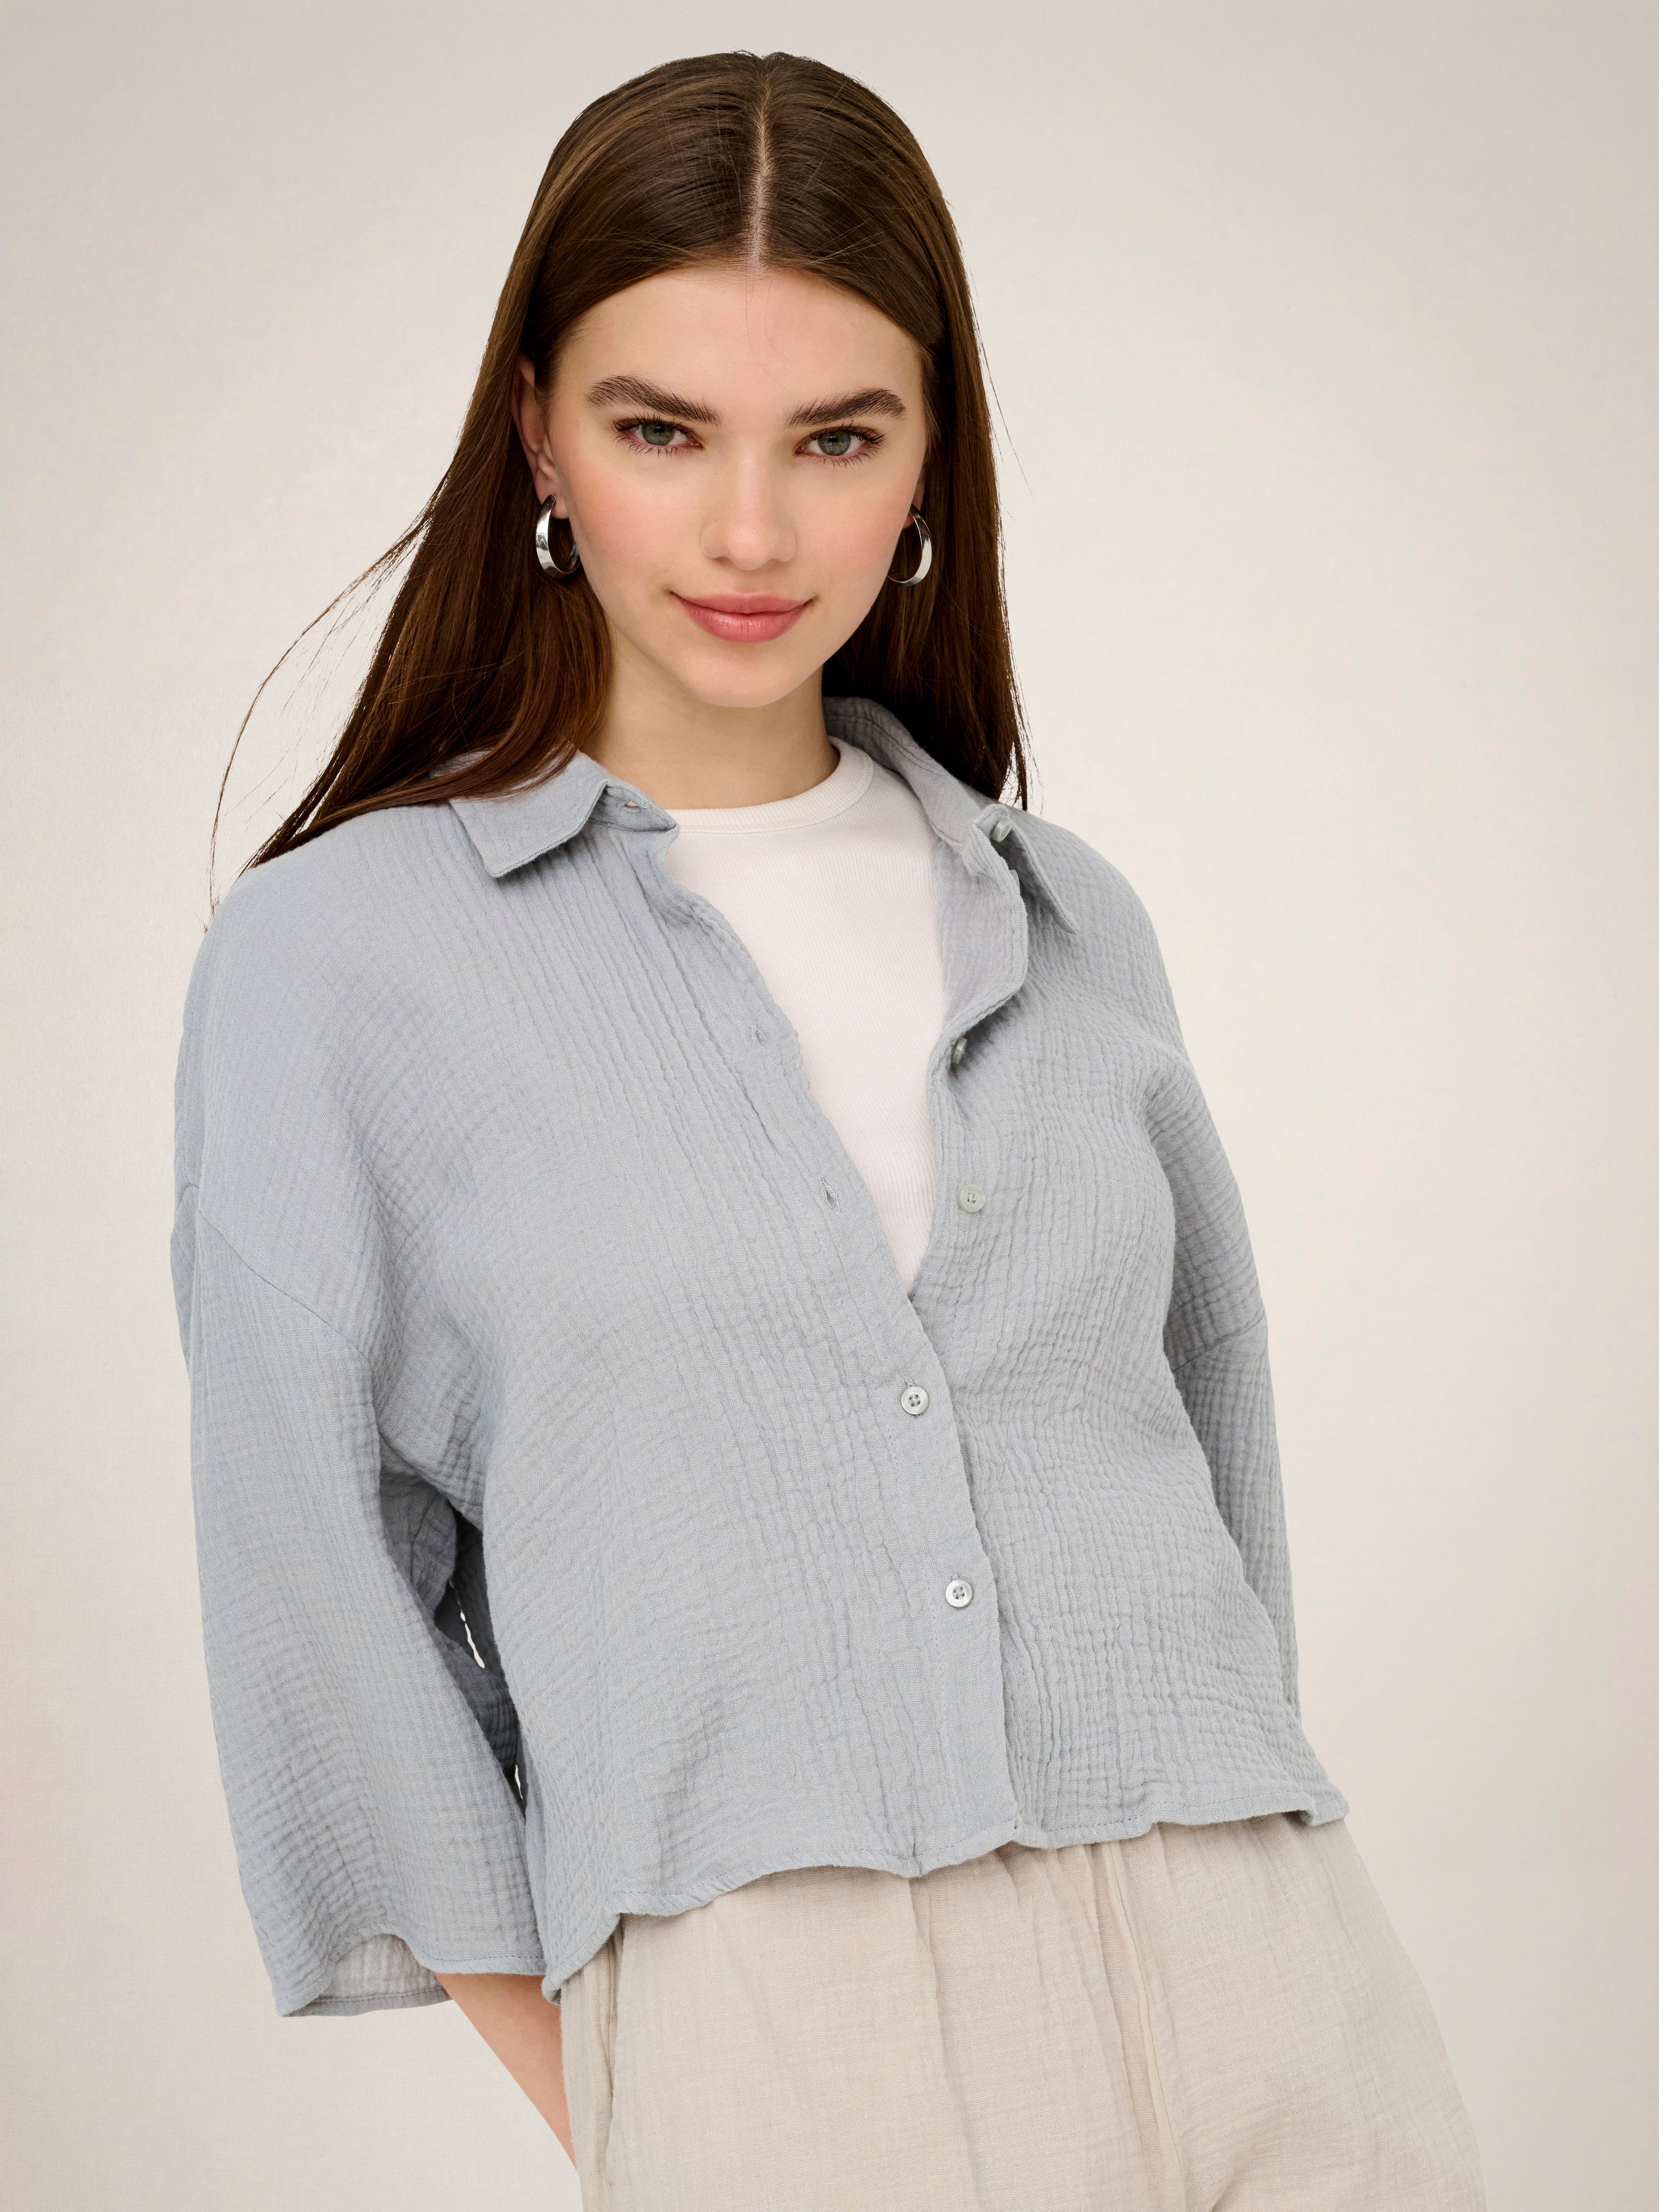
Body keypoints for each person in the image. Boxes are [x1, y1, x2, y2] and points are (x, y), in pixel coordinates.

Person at [173, 48, 1487, 2212]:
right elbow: (316, 1590)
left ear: (931, 455)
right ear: (539, 434)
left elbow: (1213, 1449)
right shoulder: (342, 961)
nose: (752, 533)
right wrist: (652, 2094)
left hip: (1276, 1978)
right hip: (785, 2034)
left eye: (837, 438)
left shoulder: (1065, 918)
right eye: (662, 430)